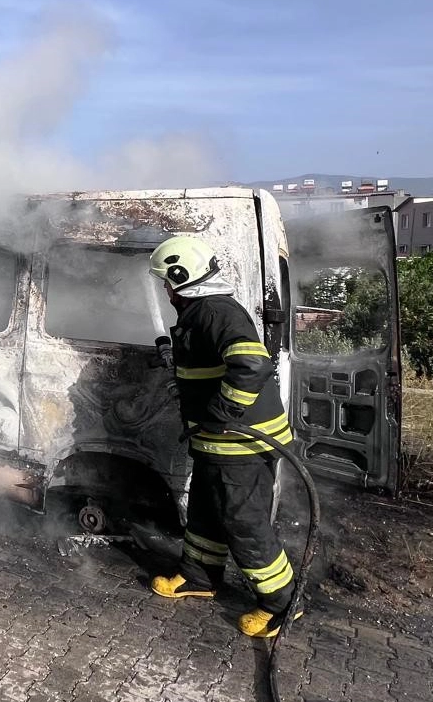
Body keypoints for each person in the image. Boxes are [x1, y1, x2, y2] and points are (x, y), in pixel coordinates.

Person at [146, 236, 301, 638]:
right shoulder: (199, 312)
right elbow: (206, 366)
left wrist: (221, 413)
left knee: (243, 522)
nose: (165, 290)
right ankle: (198, 576)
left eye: (166, 282)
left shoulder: (216, 311)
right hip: (217, 444)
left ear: (181, 278)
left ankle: (281, 604)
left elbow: (251, 364)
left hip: (243, 445)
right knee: (206, 511)